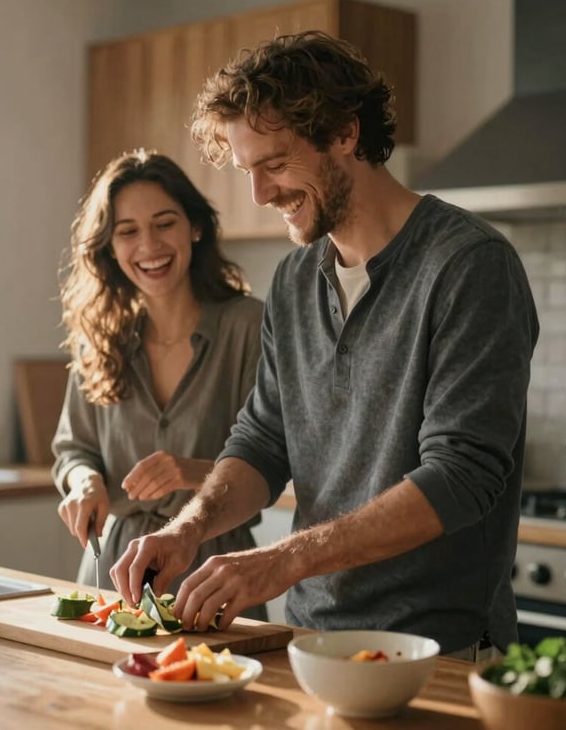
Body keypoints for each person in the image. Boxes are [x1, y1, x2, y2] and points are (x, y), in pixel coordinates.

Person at [109, 32, 539, 659]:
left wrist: (280, 560)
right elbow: (263, 440)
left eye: (276, 164)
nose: (259, 194)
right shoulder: (294, 278)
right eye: (245, 170)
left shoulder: (469, 266)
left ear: (344, 133)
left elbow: (462, 477)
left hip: (436, 650)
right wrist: (187, 530)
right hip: (309, 639)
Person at [52, 148, 267, 620]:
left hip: (216, 573)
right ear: (109, 248)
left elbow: (278, 459)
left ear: (195, 227)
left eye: (164, 223)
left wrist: (191, 471)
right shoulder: (101, 337)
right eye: (127, 231)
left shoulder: (250, 326)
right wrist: (84, 482)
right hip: (112, 572)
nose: (148, 245)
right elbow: (74, 450)